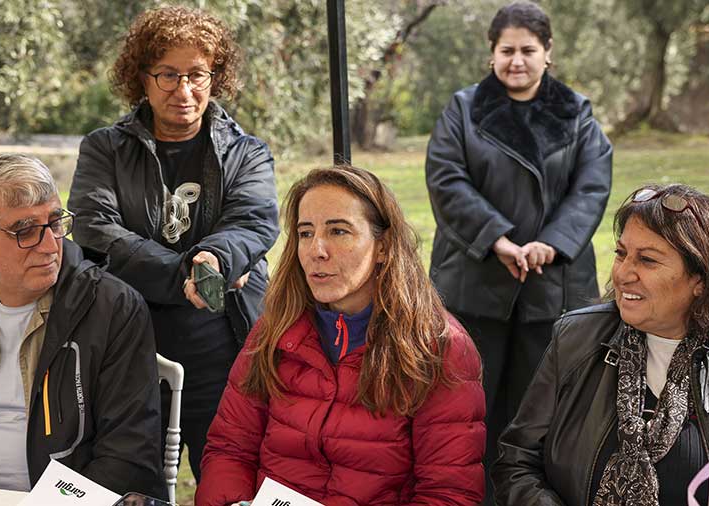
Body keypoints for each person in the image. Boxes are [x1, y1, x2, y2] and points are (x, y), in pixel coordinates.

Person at [68, 6, 279, 481]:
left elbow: (253, 221)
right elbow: (95, 227)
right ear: (141, 77)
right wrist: (191, 270)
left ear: (215, 77)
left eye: (197, 74)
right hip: (129, 343)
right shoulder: (105, 149)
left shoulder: (247, 151)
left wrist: (217, 256)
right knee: (131, 483)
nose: (184, 91)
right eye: (168, 74)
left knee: (227, 478)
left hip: (223, 341)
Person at [194, 165, 486, 505]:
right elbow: (229, 450)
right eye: (305, 233)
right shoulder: (273, 330)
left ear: (384, 247)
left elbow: (448, 494)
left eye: (338, 231)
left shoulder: (439, 347)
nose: (317, 249)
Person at [492, 184, 709, 506]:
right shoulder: (577, 338)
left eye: (647, 260)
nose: (623, 273)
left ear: (701, 279)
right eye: (621, 254)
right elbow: (518, 462)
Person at [424, 1, 612, 501]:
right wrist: (499, 240)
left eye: (528, 50)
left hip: (552, 285)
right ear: (492, 54)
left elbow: (591, 187)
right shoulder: (462, 109)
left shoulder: (577, 112)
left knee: (542, 409)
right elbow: (447, 181)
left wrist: (549, 244)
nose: (517, 60)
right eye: (507, 50)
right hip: (475, 280)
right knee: (469, 406)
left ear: (548, 53)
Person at [0, 154, 164, 497]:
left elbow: (129, 456)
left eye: (54, 222)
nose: (51, 245)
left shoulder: (113, 309)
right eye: (25, 230)